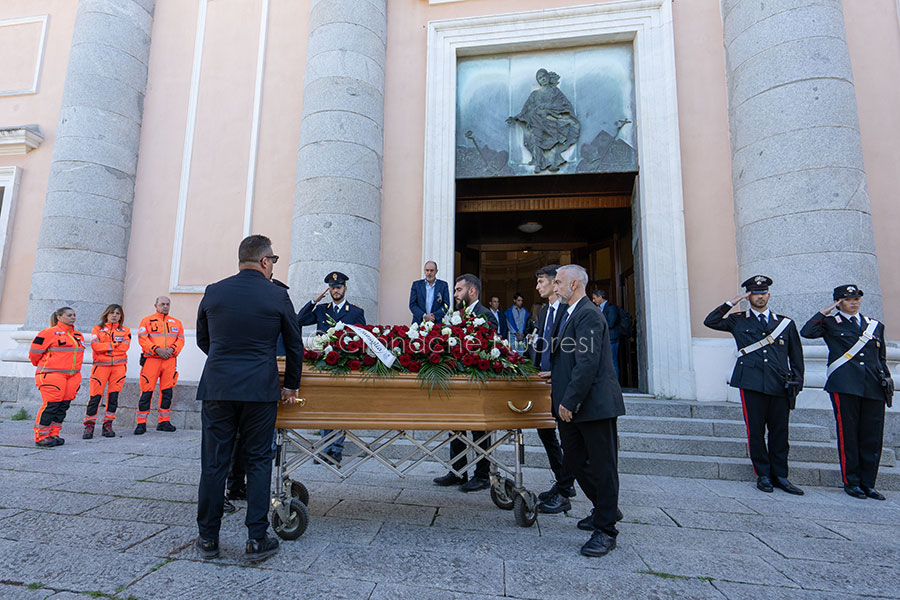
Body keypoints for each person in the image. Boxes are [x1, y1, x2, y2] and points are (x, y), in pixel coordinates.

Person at [195, 234, 303, 562]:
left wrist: (225, 362)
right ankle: (257, 538)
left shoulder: (214, 291)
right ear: (265, 261)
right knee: (258, 461)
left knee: (214, 463)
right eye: (274, 261)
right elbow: (294, 344)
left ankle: (208, 539)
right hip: (260, 389)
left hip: (218, 388)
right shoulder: (277, 295)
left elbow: (204, 340)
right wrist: (291, 386)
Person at [704, 276, 805, 495]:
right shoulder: (738, 320)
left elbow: (796, 354)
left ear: (768, 295)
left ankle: (781, 476)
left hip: (780, 383)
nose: (759, 296)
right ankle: (763, 475)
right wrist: (731, 303)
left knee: (780, 431)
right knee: (756, 432)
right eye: (754, 293)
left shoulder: (784, 323)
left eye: (763, 293)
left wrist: (797, 379)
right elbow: (710, 321)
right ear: (749, 296)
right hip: (751, 383)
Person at [551, 265, 625, 557]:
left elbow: (588, 363)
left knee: (603, 466)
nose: (554, 287)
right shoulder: (570, 313)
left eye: (558, 282)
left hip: (592, 405)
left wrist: (569, 401)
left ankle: (606, 529)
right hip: (572, 403)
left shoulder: (589, 314)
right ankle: (606, 508)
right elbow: (570, 358)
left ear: (573, 284)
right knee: (576, 461)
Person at [801, 284, 892, 500]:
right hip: (845, 385)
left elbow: (881, 358)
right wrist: (824, 312)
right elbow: (807, 332)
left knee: (872, 437)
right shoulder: (830, 323)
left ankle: (868, 483)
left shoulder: (874, 325)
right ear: (839, 302)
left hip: (873, 387)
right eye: (848, 299)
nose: (854, 302)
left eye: (857, 298)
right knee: (848, 435)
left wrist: (886, 381)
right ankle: (851, 482)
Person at [433, 274, 498, 492]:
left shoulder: (487, 315)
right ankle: (458, 472)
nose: (455, 294)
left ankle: (482, 475)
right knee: (456, 426)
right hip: (457, 381)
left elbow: (492, 349)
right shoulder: (457, 315)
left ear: (472, 291)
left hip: (477, 382)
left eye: (458, 290)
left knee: (479, 430)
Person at [297, 271, 365, 463]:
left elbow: (363, 338)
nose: (335, 290)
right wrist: (313, 301)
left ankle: (336, 449)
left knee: (340, 406)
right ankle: (326, 447)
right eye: (332, 287)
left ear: (345, 288)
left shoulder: (356, 312)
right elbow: (299, 320)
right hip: (323, 365)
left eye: (338, 287)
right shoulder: (320, 309)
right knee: (325, 406)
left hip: (344, 366)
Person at [526, 265, 578, 514]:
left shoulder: (569, 311)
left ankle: (565, 487)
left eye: (541, 282)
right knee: (546, 433)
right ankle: (563, 482)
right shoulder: (544, 311)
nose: (538, 287)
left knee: (568, 438)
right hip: (544, 382)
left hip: (563, 383)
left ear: (555, 284)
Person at [29, 307, 85, 447]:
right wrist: (45, 367)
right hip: (52, 375)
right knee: (51, 405)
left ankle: (53, 434)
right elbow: (34, 354)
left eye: (74, 315)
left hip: (72, 376)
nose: (73, 317)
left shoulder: (78, 335)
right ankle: (41, 436)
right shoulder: (48, 333)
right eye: (69, 315)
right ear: (59, 317)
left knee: (63, 406)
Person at [136, 296, 184, 435]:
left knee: (167, 392)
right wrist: (157, 349)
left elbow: (180, 340)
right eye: (162, 304)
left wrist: (172, 350)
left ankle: (164, 422)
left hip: (169, 361)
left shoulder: (177, 323)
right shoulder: (146, 321)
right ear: (155, 305)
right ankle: (141, 423)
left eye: (167, 304)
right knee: (146, 392)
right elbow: (142, 339)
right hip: (151, 360)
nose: (165, 306)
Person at [83, 304, 130, 439]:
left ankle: (107, 424)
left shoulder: (125, 330)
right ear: (106, 314)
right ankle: (89, 425)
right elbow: (95, 346)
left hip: (118, 368)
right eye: (112, 313)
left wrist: (106, 348)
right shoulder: (97, 329)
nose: (115, 315)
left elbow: (125, 348)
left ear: (121, 316)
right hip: (100, 368)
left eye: (117, 313)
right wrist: (114, 345)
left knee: (113, 397)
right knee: (95, 397)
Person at [590, 289, 632, 379]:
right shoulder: (599, 309)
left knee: (613, 362)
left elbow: (610, 323)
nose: (593, 301)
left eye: (594, 298)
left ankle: (614, 384)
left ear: (600, 297)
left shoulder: (611, 308)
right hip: (604, 339)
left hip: (612, 339)